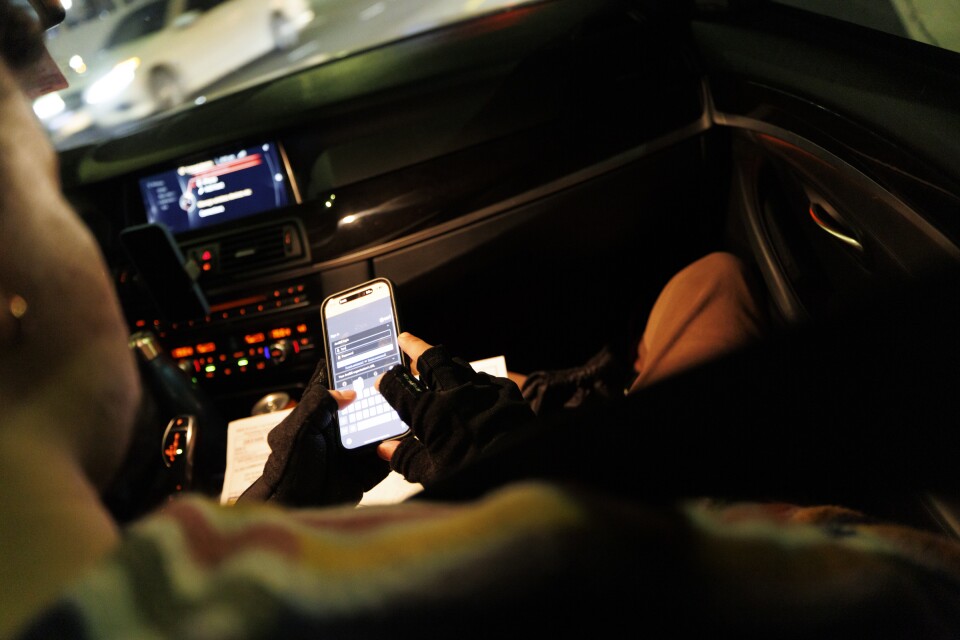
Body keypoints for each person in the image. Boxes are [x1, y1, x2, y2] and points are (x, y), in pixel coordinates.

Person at [4, 3, 960, 637]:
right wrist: (503, 461)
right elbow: (917, 583)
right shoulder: (514, 566)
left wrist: (273, 514)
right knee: (709, 284)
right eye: (49, 183)